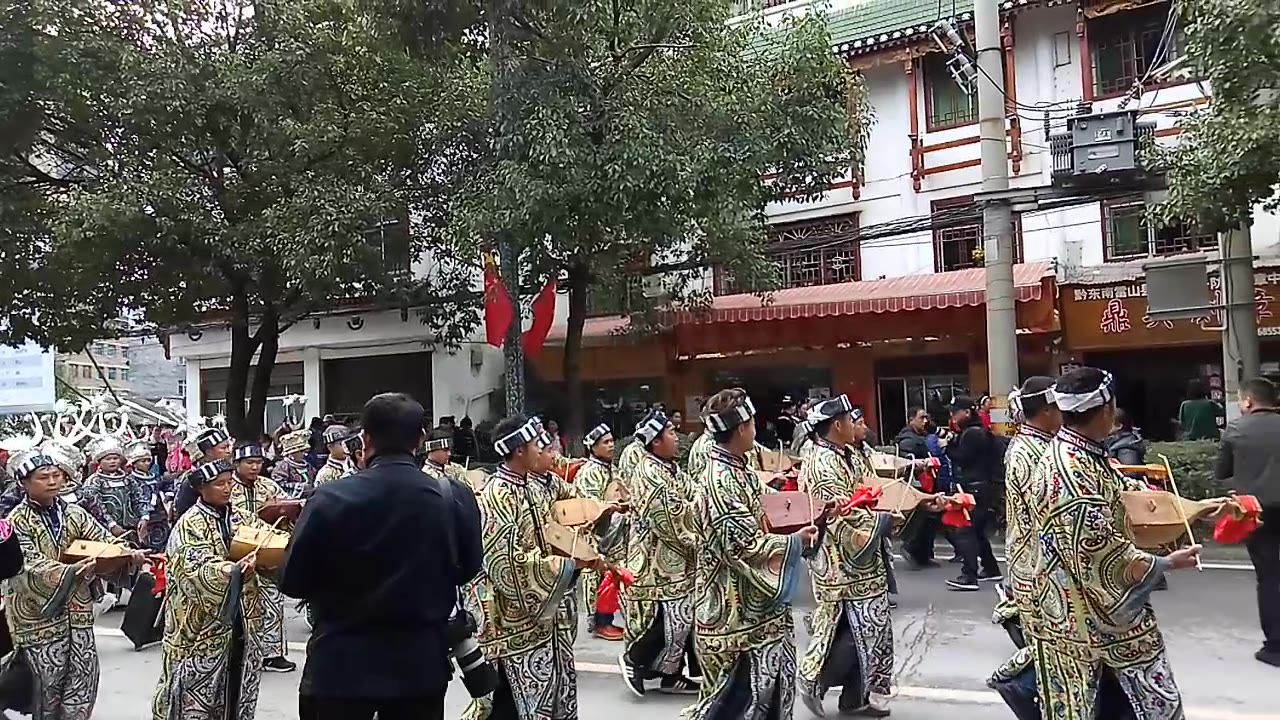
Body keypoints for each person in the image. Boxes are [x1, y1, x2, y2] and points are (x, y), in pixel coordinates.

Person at [281, 393, 482, 720]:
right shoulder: (453, 496)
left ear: (365, 439)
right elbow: (468, 567)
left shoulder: (330, 498)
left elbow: (293, 580)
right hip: (419, 668)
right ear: (419, 440)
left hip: (340, 667)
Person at [1029, 367, 1202, 717]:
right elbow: (1102, 555)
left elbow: (1121, 494)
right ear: (1107, 408)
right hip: (1092, 615)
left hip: (1074, 608)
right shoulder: (1070, 472)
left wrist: (1195, 510)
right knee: (1149, 706)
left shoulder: (1077, 453)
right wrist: (1167, 563)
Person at [681, 388, 817, 720]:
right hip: (732, 614)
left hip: (756, 611)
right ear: (742, 428)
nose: (756, 427)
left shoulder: (737, 468)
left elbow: (764, 501)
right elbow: (744, 546)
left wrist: (809, 505)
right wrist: (795, 541)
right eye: (752, 422)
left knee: (770, 691)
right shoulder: (719, 480)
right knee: (734, 703)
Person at [460, 414, 602, 720]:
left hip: (540, 616)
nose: (544, 449)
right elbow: (508, 565)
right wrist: (565, 566)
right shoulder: (498, 496)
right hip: (510, 622)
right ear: (520, 450)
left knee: (548, 694)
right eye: (537, 444)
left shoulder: (533, 487)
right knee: (512, 703)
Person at [798, 396, 928, 718]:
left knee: (869, 628)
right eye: (850, 419)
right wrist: (884, 520)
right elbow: (841, 516)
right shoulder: (822, 463)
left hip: (863, 560)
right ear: (837, 425)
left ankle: (855, 698)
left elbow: (870, 492)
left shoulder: (847, 455)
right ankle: (814, 680)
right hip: (841, 562)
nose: (858, 425)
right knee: (859, 630)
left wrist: (916, 501)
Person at [4, 449, 145, 720]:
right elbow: (26, 565)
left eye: (56, 475)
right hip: (38, 619)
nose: (52, 481)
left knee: (83, 678)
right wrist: (71, 572)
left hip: (78, 613)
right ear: (24, 483)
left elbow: (102, 540)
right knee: (47, 686)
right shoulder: (15, 522)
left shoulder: (74, 513)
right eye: (43, 477)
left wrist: (126, 553)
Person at [151, 459, 265, 720]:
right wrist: (231, 571)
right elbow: (193, 565)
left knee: (236, 681)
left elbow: (263, 538)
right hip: (200, 624)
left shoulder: (241, 517)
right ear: (202, 489)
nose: (227, 489)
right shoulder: (189, 524)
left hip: (242, 619)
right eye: (219, 484)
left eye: (229, 483)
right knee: (191, 692)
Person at [619, 411, 701, 696]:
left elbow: (697, 494)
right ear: (654, 442)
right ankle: (635, 660)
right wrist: (700, 537)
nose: (676, 436)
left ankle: (670, 674)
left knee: (682, 618)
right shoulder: (649, 472)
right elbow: (670, 519)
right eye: (670, 432)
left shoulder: (670, 469)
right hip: (656, 561)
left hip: (677, 561)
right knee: (672, 621)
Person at [1214, 377, 1280, 667]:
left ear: (1248, 402)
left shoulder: (1236, 428)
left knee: (1269, 577)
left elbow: (1221, 471)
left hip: (1258, 511)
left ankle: (1276, 647)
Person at [990, 376, 1060, 647]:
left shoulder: (1041, 444)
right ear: (1045, 411)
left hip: (1037, 557)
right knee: (1045, 646)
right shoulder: (1028, 452)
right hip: (1034, 560)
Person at [227, 443, 295, 674]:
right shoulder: (227, 487)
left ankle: (272, 654)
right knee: (241, 604)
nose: (255, 467)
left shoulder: (269, 486)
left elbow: (288, 507)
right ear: (237, 464)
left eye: (259, 462)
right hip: (236, 552)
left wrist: (286, 511)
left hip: (267, 552)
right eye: (249, 462)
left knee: (272, 600)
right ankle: (241, 653)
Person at [944, 396, 1003, 591]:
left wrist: (948, 447)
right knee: (976, 531)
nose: (952, 416)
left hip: (975, 488)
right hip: (984, 487)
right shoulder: (978, 432)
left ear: (967, 412)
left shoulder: (973, 434)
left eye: (955, 412)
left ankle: (969, 575)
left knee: (965, 530)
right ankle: (990, 568)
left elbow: (964, 459)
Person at [573, 423, 625, 641]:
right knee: (595, 576)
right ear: (592, 448)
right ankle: (598, 622)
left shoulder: (610, 469)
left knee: (613, 576)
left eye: (612, 441)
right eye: (606, 442)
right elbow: (591, 507)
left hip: (611, 531)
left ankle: (607, 619)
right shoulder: (589, 472)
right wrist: (611, 506)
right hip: (594, 533)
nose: (611, 445)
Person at [895, 407, 939, 569]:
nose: (925, 421)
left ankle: (924, 555)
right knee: (921, 518)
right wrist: (921, 464)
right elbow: (906, 460)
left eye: (926, 418)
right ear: (911, 419)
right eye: (921, 418)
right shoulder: (908, 439)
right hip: (918, 483)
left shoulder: (922, 436)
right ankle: (911, 547)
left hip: (928, 481)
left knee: (930, 520)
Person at [173, 428, 232, 518]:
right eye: (224, 448)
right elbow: (183, 511)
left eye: (228, 447)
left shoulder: (232, 473)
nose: (228, 451)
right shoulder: (195, 479)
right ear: (209, 452)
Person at [271, 429, 313, 498]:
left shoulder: (308, 466)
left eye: (304, 451)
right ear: (292, 453)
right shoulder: (282, 467)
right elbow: (278, 485)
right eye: (301, 451)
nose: (304, 454)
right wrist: (301, 487)